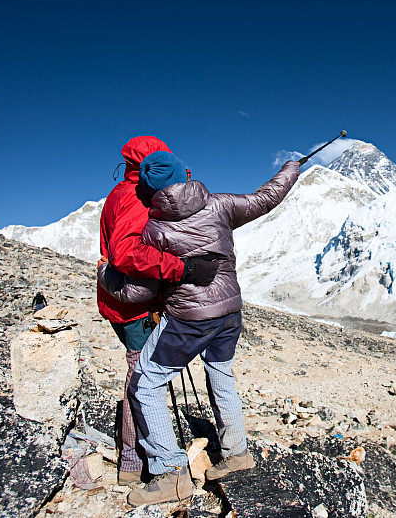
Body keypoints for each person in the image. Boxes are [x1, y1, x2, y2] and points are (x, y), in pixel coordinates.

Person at [99, 150, 299, 507]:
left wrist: (107, 275)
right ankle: (237, 453)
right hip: (231, 311)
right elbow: (266, 197)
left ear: (148, 189)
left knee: (145, 382)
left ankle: (170, 473)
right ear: (185, 174)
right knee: (221, 374)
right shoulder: (220, 205)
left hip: (189, 320)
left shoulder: (155, 230)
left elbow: (139, 292)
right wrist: (290, 170)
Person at [97, 136, 219, 486]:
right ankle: (138, 461)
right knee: (142, 379)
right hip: (132, 306)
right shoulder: (136, 198)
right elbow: (126, 254)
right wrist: (183, 269)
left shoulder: (123, 191)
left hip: (124, 301)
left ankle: (143, 454)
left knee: (143, 374)